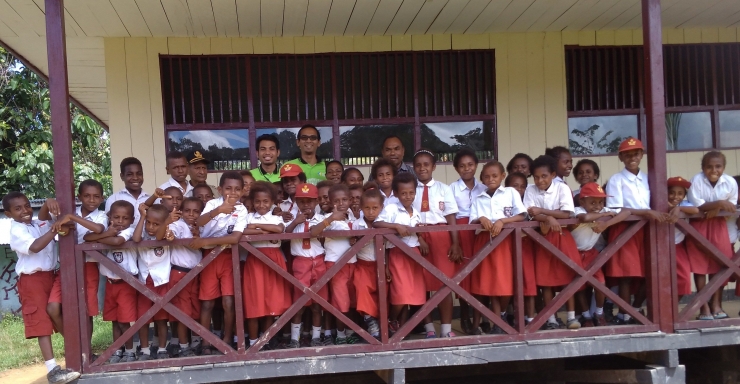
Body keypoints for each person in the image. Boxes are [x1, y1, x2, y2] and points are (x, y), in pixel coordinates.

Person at [4, 191, 81, 383]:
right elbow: (36, 246)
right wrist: (55, 230)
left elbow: (44, 218)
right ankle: (52, 369)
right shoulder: (16, 230)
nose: (25, 211)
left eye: (27, 205)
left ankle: (78, 354)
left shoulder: (36, 223)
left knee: (59, 311)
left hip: (51, 275)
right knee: (41, 325)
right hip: (32, 281)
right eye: (18, 208)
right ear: (8, 214)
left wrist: (47, 202)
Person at [605, 138, 668, 325]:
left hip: (646, 230)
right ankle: (624, 314)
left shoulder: (649, 178)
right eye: (627, 154)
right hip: (625, 229)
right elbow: (616, 208)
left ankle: (636, 308)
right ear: (621, 157)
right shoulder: (617, 179)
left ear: (642, 155)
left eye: (636, 153)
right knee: (626, 274)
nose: (632, 157)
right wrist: (646, 212)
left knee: (647, 272)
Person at [191, 171, 248, 355]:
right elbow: (199, 222)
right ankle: (205, 341)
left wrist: (204, 242)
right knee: (207, 302)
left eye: (237, 189)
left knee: (229, 301)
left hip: (228, 258)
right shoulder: (212, 204)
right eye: (228, 188)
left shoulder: (242, 210)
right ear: (220, 189)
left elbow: (235, 238)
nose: (232, 193)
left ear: (243, 191)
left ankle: (227, 339)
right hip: (208, 258)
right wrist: (218, 210)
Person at [44, 180, 107, 341]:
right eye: (86, 196)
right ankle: (74, 345)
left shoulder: (101, 215)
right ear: (79, 197)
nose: (91, 200)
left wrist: (72, 218)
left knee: (87, 311)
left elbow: (98, 228)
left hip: (89, 266)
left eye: (96, 196)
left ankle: (86, 351)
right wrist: (47, 202)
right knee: (53, 308)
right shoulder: (67, 211)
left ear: (102, 198)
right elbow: (42, 217)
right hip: (66, 267)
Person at [524, 155, 582, 330]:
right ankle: (551, 319)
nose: (540, 180)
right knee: (545, 280)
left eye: (544, 176)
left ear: (553, 174)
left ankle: (571, 317)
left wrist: (543, 212)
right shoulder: (530, 190)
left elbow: (567, 213)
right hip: (541, 238)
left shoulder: (562, 188)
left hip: (561, 236)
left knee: (567, 277)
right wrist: (549, 216)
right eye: (536, 177)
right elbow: (530, 214)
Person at [469, 161, 526, 334]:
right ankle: (496, 322)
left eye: (494, 175)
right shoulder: (478, 198)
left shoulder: (510, 193)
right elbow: (473, 219)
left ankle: (501, 315)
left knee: (506, 281)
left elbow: (521, 215)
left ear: (502, 176)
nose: (491, 179)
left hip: (505, 242)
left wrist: (502, 221)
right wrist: (482, 219)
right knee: (491, 282)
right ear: (482, 179)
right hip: (486, 242)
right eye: (486, 176)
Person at [412, 149, 462, 338]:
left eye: (426, 164)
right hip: (418, 236)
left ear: (433, 167)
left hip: (441, 237)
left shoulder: (444, 188)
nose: (422, 168)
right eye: (418, 165)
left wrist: (455, 243)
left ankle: (447, 329)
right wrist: (419, 237)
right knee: (421, 283)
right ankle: (429, 328)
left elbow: (451, 217)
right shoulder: (410, 189)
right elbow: (407, 217)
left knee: (444, 283)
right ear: (413, 167)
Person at [373, 173, 427, 334]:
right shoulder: (391, 208)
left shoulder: (415, 211)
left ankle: (402, 330)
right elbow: (377, 223)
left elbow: (417, 229)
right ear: (396, 194)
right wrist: (396, 226)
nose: (408, 196)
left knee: (415, 293)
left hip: (415, 255)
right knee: (401, 293)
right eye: (403, 193)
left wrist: (421, 238)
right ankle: (391, 321)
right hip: (398, 254)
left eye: (411, 193)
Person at [571, 182, 630, 327]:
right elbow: (584, 218)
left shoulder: (603, 209)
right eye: (592, 202)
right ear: (582, 201)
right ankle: (586, 316)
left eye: (600, 202)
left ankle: (598, 312)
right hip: (574, 253)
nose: (597, 205)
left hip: (591, 252)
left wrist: (606, 223)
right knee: (578, 286)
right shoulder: (576, 209)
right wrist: (603, 215)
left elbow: (627, 212)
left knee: (600, 283)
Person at [687, 151, 738, 320]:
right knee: (700, 266)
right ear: (703, 168)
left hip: (719, 225)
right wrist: (718, 203)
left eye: (718, 166)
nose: (713, 170)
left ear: (723, 167)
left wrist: (716, 207)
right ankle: (703, 308)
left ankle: (716, 305)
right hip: (699, 225)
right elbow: (697, 205)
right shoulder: (696, 180)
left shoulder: (730, 182)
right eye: (709, 166)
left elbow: (731, 206)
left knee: (720, 264)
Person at [86, 201, 138, 363]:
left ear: (132, 220)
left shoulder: (130, 230)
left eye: (125, 218)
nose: (121, 221)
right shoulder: (109, 231)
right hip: (109, 283)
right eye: (116, 217)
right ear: (109, 217)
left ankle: (130, 351)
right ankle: (117, 349)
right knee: (114, 320)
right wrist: (107, 233)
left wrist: (106, 236)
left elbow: (117, 242)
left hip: (126, 284)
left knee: (124, 320)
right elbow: (87, 237)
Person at [241, 181, 291, 348]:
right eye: (257, 202)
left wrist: (256, 226)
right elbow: (241, 230)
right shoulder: (247, 216)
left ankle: (267, 338)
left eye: (265, 201)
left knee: (272, 301)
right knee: (254, 301)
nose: (261, 205)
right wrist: (262, 231)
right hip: (255, 261)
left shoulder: (277, 217)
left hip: (274, 260)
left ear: (272, 202)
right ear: (253, 202)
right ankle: (254, 340)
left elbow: (278, 229)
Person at [310, 184, 358, 345]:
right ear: (330, 202)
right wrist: (330, 219)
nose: (341, 203)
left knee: (351, 299)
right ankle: (341, 334)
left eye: (345, 199)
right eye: (336, 200)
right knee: (340, 301)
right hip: (335, 265)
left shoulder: (354, 217)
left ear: (350, 200)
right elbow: (313, 232)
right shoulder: (327, 219)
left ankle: (350, 331)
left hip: (354, 263)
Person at [284, 183, 329, 348]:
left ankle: (316, 337)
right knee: (299, 303)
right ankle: (294, 339)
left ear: (316, 201)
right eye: (302, 201)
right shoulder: (291, 218)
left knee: (317, 303)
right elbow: (284, 236)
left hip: (318, 261)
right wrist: (296, 221)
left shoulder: (322, 220)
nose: (306, 205)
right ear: (296, 201)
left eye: (310, 201)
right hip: (300, 263)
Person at [162, 197, 204, 357]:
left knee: (195, 309)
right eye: (187, 211)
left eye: (196, 211)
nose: (191, 214)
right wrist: (170, 233)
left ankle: (196, 341)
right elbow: (171, 234)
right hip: (180, 273)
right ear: (181, 211)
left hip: (195, 273)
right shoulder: (178, 225)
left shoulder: (201, 227)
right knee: (183, 311)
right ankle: (184, 346)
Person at [450, 149, 486, 334]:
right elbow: (452, 217)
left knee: (480, 275)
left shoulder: (484, 188)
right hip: (462, 233)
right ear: (456, 169)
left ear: (476, 166)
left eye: (470, 165)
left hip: (480, 232)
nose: (467, 169)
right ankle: (464, 317)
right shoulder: (452, 189)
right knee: (463, 278)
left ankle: (480, 319)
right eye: (462, 166)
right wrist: (455, 243)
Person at [133, 204, 173, 360]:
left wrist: (166, 224)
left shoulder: (167, 234)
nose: (150, 227)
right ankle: (145, 350)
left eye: (156, 224)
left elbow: (159, 238)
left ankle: (162, 349)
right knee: (143, 318)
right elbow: (136, 239)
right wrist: (143, 216)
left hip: (161, 281)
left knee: (161, 318)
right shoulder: (141, 233)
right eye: (149, 222)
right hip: (144, 282)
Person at [351, 184, 384, 340]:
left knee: (383, 294)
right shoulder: (357, 225)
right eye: (367, 208)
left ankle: (384, 323)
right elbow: (353, 246)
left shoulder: (384, 222)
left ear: (381, 207)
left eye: (375, 208)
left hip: (382, 266)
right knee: (362, 290)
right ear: (361, 208)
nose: (371, 212)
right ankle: (370, 321)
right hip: (363, 265)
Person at [505, 172, 537, 325]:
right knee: (509, 281)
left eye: (523, 186)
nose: (519, 189)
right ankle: (510, 316)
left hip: (526, 245)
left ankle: (530, 318)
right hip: (506, 245)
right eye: (514, 186)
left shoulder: (529, 202)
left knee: (528, 281)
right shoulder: (502, 202)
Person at [667, 177, 699, 305]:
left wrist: (679, 209)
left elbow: (695, 210)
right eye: (672, 192)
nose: (676, 196)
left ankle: (672, 308)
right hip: (659, 246)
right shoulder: (658, 203)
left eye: (680, 193)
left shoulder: (684, 205)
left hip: (678, 245)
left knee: (684, 278)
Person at [106, 157, 151, 225]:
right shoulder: (114, 199)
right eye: (130, 174)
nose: (135, 178)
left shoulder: (150, 199)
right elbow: (108, 224)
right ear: (122, 176)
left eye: (139, 174)